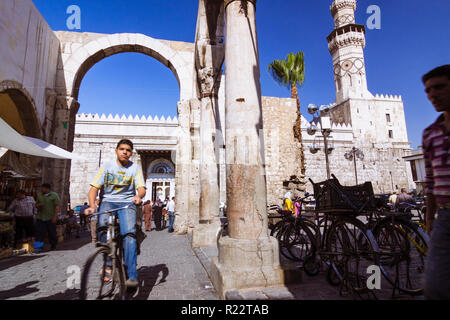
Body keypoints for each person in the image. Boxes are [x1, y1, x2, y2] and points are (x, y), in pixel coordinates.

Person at [85, 139, 146, 289]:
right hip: (108, 201)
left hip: (127, 203)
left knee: (129, 235)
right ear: (116, 151)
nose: (125, 152)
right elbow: (93, 189)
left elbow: (141, 188)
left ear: (131, 153)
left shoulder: (135, 168)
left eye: (128, 150)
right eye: (122, 149)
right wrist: (92, 206)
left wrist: (139, 196)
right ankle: (107, 264)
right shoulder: (107, 166)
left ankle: (132, 275)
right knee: (102, 228)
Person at [421, 65, 450, 299]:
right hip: (445, 217)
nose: (432, 95)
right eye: (428, 90)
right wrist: (430, 216)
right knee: (435, 286)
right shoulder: (430, 133)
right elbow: (429, 179)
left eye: (440, 87)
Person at [35, 183, 60, 252]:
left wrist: (55, 216)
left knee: (52, 232)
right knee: (39, 232)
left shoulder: (54, 195)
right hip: (41, 217)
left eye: (43, 188)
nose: (41, 189)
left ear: (47, 189)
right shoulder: (39, 195)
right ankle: (38, 248)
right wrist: (38, 205)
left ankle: (53, 245)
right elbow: (36, 204)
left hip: (50, 217)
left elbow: (57, 206)